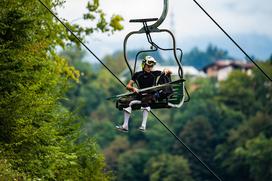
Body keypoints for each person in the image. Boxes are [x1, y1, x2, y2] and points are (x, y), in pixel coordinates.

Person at [116, 56, 172, 132]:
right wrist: (133, 88)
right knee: (126, 102)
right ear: (144, 65)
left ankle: (143, 125)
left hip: (151, 95)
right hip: (140, 95)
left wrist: (166, 70)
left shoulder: (155, 73)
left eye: (151, 66)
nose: (150, 68)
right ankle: (125, 126)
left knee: (146, 101)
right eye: (148, 66)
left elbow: (169, 72)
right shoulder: (137, 74)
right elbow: (128, 86)